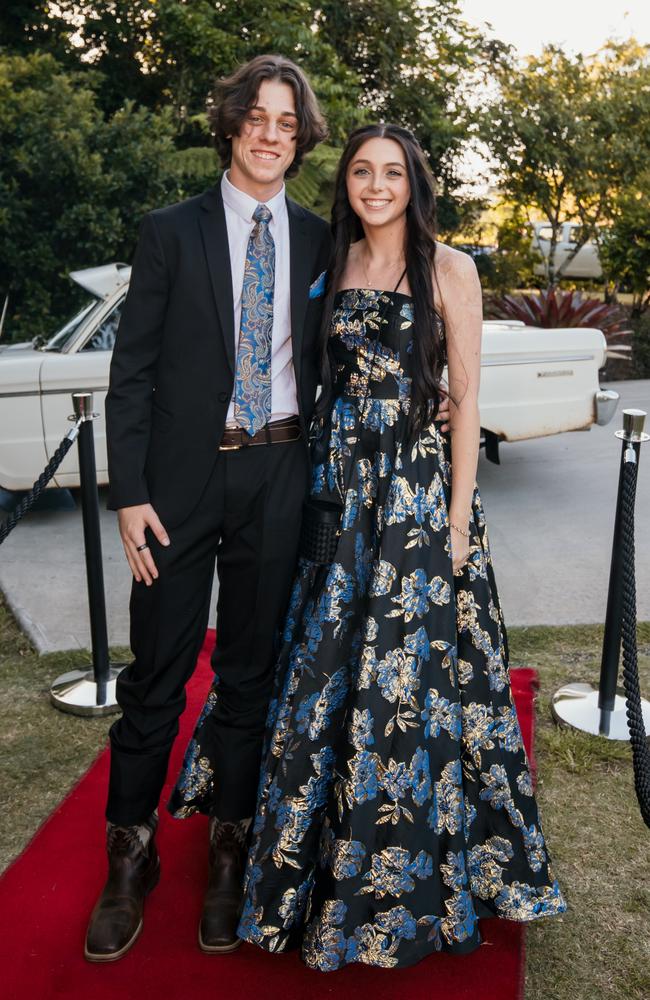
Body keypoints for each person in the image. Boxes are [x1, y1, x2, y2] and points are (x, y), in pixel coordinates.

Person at [172, 122, 568, 970]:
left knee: (408, 683)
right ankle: (294, 854)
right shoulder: (329, 263)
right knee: (317, 668)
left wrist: (457, 525)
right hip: (331, 487)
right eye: (362, 170)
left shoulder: (451, 268)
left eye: (393, 173)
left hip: (415, 501)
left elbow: (465, 404)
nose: (377, 185)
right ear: (345, 181)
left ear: (414, 183)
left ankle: (402, 876)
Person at [85, 56, 438, 963]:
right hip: (176, 489)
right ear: (231, 124)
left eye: (286, 120)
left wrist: (426, 404)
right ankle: (130, 859)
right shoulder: (170, 232)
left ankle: (231, 855)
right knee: (156, 674)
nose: (270, 132)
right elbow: (132, 375)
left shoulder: (325, 238)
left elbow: (391, 310)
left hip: (283, 476)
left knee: (249, 676)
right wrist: (129, 495)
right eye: (255, 115)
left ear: (302, 135)